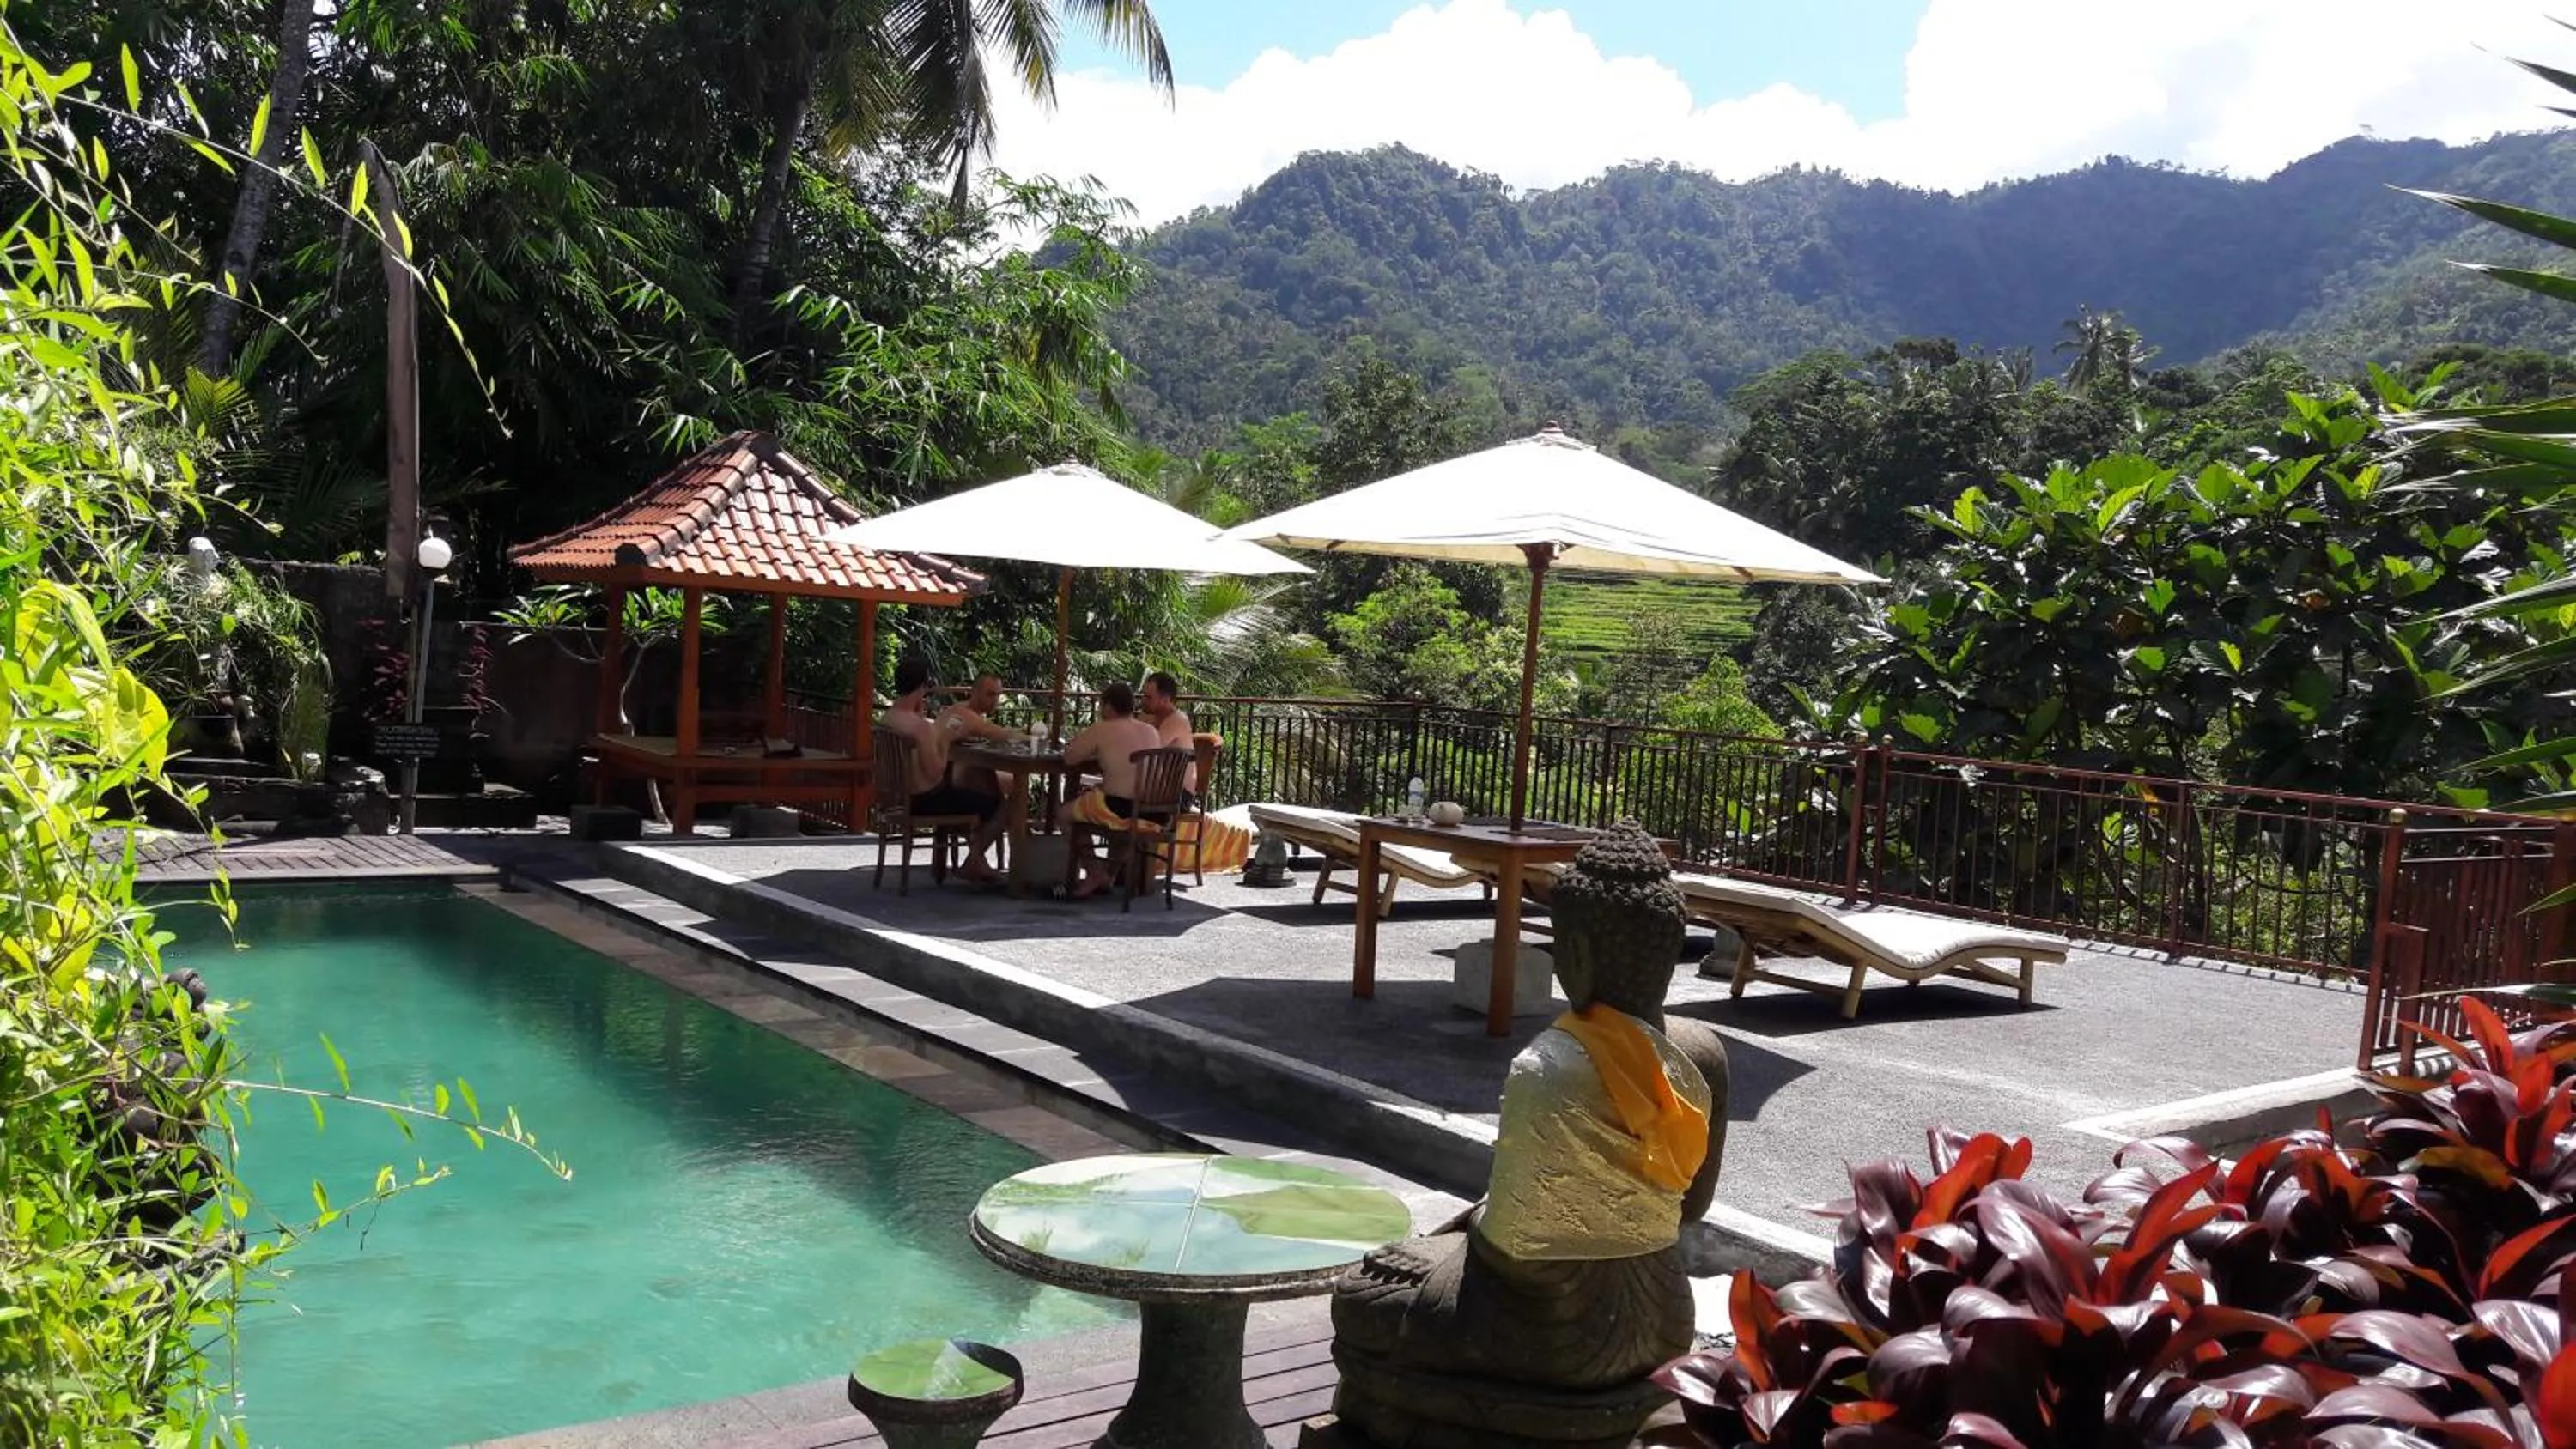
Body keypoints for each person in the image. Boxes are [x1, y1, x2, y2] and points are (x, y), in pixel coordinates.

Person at [878, 657, 1004, 882]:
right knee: (999, 805)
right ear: (923, 686)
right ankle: (974, 861)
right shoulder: (920, 728)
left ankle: (976, 862)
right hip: (926, 801)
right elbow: (935, 772)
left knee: (970, 793)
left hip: (900, 798)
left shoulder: (889, 718)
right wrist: (945, 740)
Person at [1054, 681, 1163, 899]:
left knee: (1064, 815)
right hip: (1155, 812)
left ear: (1108, 707)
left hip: (1120, 810)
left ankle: (1094, 872)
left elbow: (1070, 757)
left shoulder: (1102, 728)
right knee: (1101, 802)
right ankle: (1108, 875)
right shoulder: (1151, 731)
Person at [939, 673, 1021, 797]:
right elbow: (1002, 734)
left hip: (948, 776)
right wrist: (1035, 738)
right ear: (974, 693)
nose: (995, 700)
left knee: (1005, 781)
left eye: (998, 695)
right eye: (990, 694)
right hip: (944, 783)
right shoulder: (966, 715)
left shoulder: (964, 710)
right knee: (1015, 784)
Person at [1137, 670, 1198, 799]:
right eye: (1143, 695)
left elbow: (1145, 750)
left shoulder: (1177, 720)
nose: (1143, 700)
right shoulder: (1149, 715)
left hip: (1179, 796)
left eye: (1148, 697)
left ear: (1165, 700)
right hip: (1156, 791)